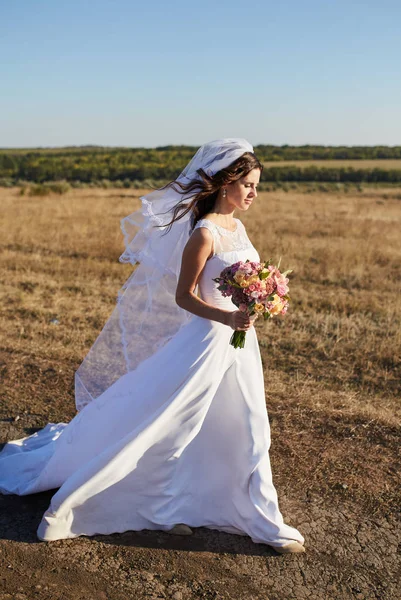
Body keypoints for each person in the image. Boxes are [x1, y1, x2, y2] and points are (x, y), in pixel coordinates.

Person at [0, 138, 305, 554]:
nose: (254, 193)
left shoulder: (239, 228)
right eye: (248, 184)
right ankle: (152, 496)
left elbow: (239, 282)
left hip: (240, 344)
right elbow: (185, 297)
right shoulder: (204, 233)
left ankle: (253, 508)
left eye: (257, 186)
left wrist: (259, 300)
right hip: (207, 343)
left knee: (249, 426)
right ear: (225, 183)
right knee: (173, 423)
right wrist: (228, 316)